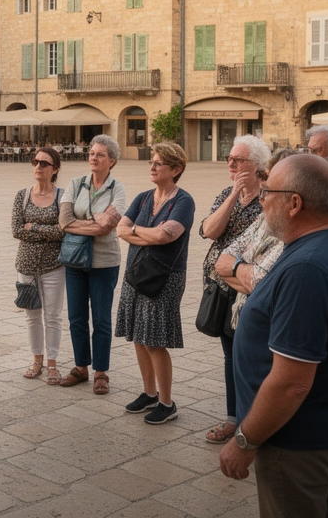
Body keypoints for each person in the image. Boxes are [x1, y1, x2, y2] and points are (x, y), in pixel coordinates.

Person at [220, 155, 328, 518]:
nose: (260, 199)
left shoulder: (309, 267)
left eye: (267, 192)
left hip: (297, 442)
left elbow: (291, 382)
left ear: (294, 203)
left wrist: (245, 439)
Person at [116, 142, 195, 424]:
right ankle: (149, 393)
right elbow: (121, 229)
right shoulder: (143, 198)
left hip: (164, 277)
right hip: (136, 273)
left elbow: (167, 236)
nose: (152, 166)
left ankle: (166, 401)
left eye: (159, 163)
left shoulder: (183, 201)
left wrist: (137, 231)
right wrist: (144, 232)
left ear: (176, 169)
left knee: (155, 340)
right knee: (138, 335)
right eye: (152, 161)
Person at [197, 135, 268, 443]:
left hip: (247, 288)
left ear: (257, 166)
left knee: (250, 355)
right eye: (230, 158)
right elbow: (209, 230)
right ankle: (233, 417)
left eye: (238, 160)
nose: (231, 163)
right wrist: (234, 194)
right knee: (230, 355)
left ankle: (256, 421)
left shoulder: (268, 197)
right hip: (220, 286)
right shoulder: (228, 193)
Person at [58, 134, 128, 395]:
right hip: (75, 260)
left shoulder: (117, 189)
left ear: (112, 161)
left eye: (100, 154)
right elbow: (63, 221)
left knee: (101, 319)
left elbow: (109, 226)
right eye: (91, 153)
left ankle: (101, 371)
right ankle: (80, 367)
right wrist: (94, 219)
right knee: (76, 317)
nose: (93, 158)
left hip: (104, 262)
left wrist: (85, 224)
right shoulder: (76, 183)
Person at [214, 149, 295, 331]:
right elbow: (221, 261)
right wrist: (248, 275)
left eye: (269, 187)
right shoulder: (264, 219)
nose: (263, 194)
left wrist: (235, 267)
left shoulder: (291, 229)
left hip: (267, 323)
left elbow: (262, 283)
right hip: (241, 312)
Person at [12, 147, 66, 384]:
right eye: (35, 162)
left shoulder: (63, 196)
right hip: (26, 265)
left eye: (44, 163)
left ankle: (52, 363)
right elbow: (16, 230)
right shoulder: (22, 195)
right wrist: (48, 232)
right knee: (32, 316)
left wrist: (32, 227)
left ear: (55, 169)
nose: (38, 167)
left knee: (53, 316)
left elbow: (63, 231)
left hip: (54, 265)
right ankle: (37, 360)